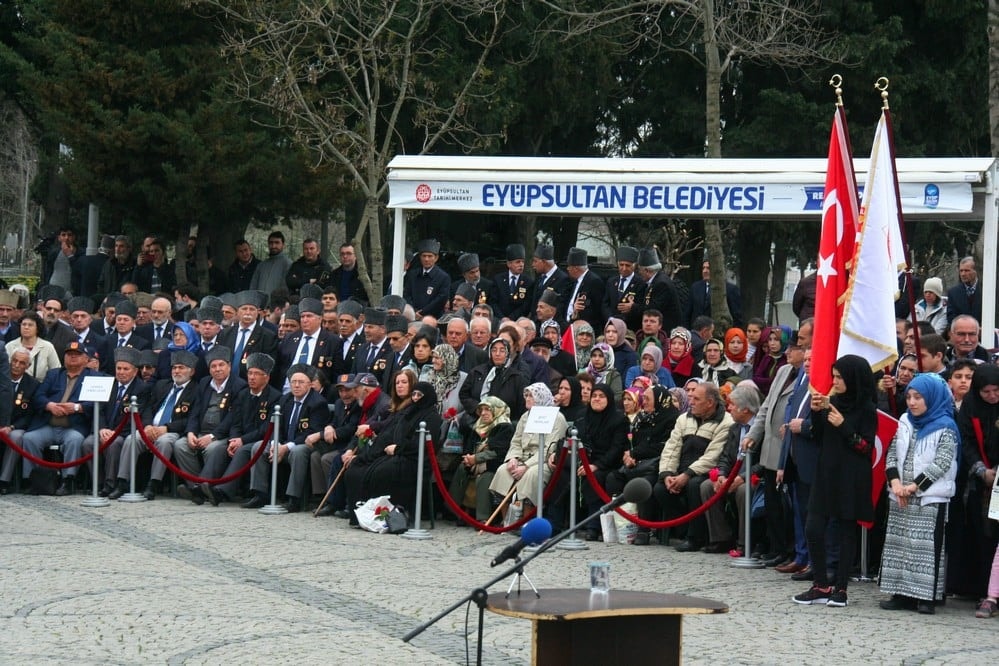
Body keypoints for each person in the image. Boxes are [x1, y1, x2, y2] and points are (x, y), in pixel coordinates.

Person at [793, 355, 877, 608]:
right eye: (834, 376)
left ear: (853, 379)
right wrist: (818, 413)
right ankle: (820, 583)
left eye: (840, 377)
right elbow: (818, 435)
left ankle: (841, 588)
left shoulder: (867, 408)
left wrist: (843, 425)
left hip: (851, 475)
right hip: (826, 471)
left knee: (845, 531)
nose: (836, 381)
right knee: (814, 527)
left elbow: (865, 446)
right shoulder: (834, 401)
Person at [878, 373, 959, 615]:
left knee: (925, 549)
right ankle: (900, 593)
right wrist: (895, 483)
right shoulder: (904, 421)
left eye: (918, 397)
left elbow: (942, 462)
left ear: (932, 399)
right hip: (900, 494)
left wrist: (913, 487)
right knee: (900, 544)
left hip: (929, 498)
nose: (912, 402)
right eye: (910, 397)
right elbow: (892, 453)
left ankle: (926, 597)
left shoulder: (946, 426)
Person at [344, 381, 443, 523]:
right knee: (356, 469)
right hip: (395, 454)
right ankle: (360, 516)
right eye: (413, 394)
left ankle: (386, 517)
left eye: (419, 395)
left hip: (415, 460)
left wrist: (398, 448)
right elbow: (389, 433)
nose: (415, 398)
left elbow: (422, 445)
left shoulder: (432, 417)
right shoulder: (407, 413)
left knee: (382, 473)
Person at [653, 382, 733, 552]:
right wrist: (667, 474)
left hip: (705, 472)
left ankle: (695, 537)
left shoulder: (726, 422)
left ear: (710, 402)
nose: (691, 402)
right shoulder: (684, 419)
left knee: (695, 485)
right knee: (660, 488)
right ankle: (685, 529)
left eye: (696, 399)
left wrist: (687, 475)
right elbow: (671, 448)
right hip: (681, 471)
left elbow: (713, 456)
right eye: (691, 398)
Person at [109, 350, 200, 500]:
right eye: (174, 367)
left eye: (181, 367)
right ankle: (122, 482)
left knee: (164, 442)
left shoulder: (196, 390)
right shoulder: (162, 385)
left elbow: (192, 419)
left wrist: (167, 428)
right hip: (150, 428)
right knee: (132, 438)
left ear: (192, 371)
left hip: (172, 430)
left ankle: (154, 483)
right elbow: (148, 409)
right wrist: (147, 425)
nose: (176, 371)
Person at [21, 342, 101, 495]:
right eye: (69, 354)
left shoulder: (94, 376)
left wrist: (77, 408)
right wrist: (49, 405)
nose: (72, 357)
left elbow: (98, 403)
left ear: (86, 359)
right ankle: (33, 480)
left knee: (74, 440)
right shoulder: (54, 374)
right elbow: (38, 396)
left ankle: (68, 480)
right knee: (29, 438)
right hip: (49, 424)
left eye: (77, 354)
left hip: (73, 425)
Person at [609, 385, 681, 545]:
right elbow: (632, 440)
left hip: (658, 464)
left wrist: (636, 454)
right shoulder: (642, 418)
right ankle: (616, 524)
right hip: (637, 461)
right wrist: (629, 454)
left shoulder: (672, 419)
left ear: (660, 400)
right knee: (613, 478)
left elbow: (662, 446)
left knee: (646, 482)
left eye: (648, 399)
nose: (644, 402)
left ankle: (643, 529)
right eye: (644, 398)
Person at [953, 363, 999, 599]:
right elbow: (967, 442)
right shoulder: (971, 407)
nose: (992, 396)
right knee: (983, 536)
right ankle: (982, 589)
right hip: (980, 482)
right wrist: (983, 471)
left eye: (996, 391)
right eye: (986, 391)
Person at [700, 383, 762, 555]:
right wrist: (721, 475)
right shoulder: (734, 428)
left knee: (744, 490)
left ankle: (745, 542)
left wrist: (741, 477)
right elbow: (726, 457)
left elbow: (763, 462)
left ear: (746, 409)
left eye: (733, 405)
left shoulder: (761, 430)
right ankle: (721, 538)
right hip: (732, 474)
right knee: (707, 486)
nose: (729, 408)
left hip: (752, 476)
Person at [561, 383, 628, 539]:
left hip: (607, 464)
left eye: (601, 396)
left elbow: (617, 448)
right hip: (583, 460)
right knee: (563, 474)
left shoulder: (619, 419)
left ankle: (593, 527)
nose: (597, 399)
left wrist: (596, 466)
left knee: (595, 478)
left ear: (609, 399)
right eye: (594, 396)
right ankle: (560, 523)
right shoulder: (583, 415)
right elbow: (572, 439)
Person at [448, 396, 514, 522]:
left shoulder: (504, 427)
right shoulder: (478, 426)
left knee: (484, 478)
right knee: (463, 468)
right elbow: (469, 447)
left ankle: (483, 518)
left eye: (487, 409)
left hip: (495, 464)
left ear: (496, 410)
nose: (483, 413)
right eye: (481, 410)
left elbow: (499, 452)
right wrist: (469, 458)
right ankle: (456, 511)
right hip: (476, 462)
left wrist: (476, 458)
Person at [459, 337, 529, 422]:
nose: (497, 354)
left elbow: (521, 405)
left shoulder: (516, 377)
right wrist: (478, 409)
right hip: (477, 420)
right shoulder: (477, 372)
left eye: (502, 351)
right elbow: (464, 394)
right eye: (494, 350)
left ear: (508, 353)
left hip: (504, 424)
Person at [0, 348, 40, 493]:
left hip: (17, 426)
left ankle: (4, 480)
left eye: (22, 363)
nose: (16, 365)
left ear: (27, 366)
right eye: (15, 361)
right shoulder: (2, 377)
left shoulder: (33, 385)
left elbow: (30, 415)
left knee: (15, 437)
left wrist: (10, 427)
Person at [403, 238, 450, 318]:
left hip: (433, 318)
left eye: (430, 256)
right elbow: (407, 294)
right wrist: (413, 311)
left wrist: (423, 312)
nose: (426, 259)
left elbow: (441, 299)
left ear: (436, 258)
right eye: (424, 256)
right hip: (413, 316)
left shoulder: (443, 277)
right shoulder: (413, 274)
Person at [6, 312, 60, 381]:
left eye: (30, 325)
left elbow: (56, 372)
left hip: (40, 388)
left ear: (37, 328)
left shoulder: (48, 347)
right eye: (23, 324)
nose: (26, 327)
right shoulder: (10, 346)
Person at [493, 244, 534, 321]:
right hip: (500, 320)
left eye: (523, 262)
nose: (521, 265)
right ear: (509, 264)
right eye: (518, 262)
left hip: (518, 321)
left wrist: (511, 318)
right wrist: (502, 318)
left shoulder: (528, 282)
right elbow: (493, 302)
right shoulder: (498, 279)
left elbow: (526, 305)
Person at [250, 231, 293, 295]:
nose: (273, 246)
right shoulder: (261, 265)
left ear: (283, 245)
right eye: (271, 243)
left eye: (277, 243)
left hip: (278, 304)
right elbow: (253, 287)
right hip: (259, 303)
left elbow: (288, 288)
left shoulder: (288, 264)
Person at [752, 325, 790, 396]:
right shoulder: (767, 357)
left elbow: (781, 382)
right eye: (770, 339)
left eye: (776, 339)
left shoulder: (787, 359)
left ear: (783, 340)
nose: (772, 343)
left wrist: (765, 381)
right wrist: (771, 381)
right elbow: (756, 378)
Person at [945, 256, 981, 326]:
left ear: (975, 271)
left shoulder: (987, 291)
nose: (963, 274)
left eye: (967, 270)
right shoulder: (953, 293)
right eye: (961, 271)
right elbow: (951, 318)